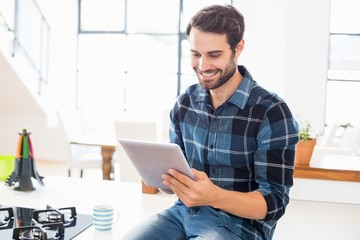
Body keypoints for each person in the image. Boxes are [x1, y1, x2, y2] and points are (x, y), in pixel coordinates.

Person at [123, 4, 299, 240]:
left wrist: (213, 195)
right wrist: (164, 178)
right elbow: (176, 182)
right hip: (183, 213)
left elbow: (274, 203)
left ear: (238, 48)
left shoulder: (271, 112)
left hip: (240, 226)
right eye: (196, 54)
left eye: (214, 55)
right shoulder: (185, 103)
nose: (203, 66)